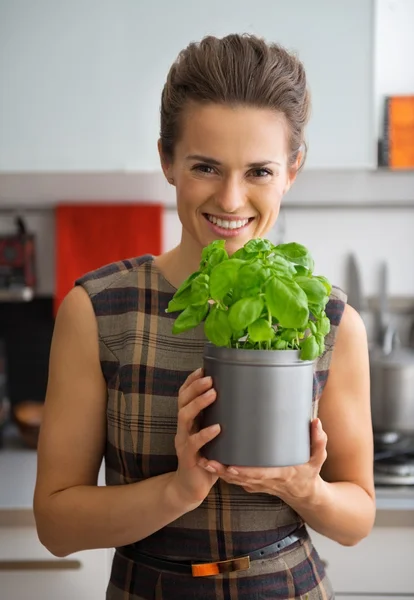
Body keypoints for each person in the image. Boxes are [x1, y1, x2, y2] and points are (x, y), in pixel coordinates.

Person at [33, 33, 375, 599]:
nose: (232, 199)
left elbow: (357, 516)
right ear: (167, 160)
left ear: (293, 169)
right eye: (206, 167)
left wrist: (303, 489)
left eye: (260, 171)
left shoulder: (331, 320)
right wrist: (178, 490)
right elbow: (55, 524)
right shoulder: (99, 310)